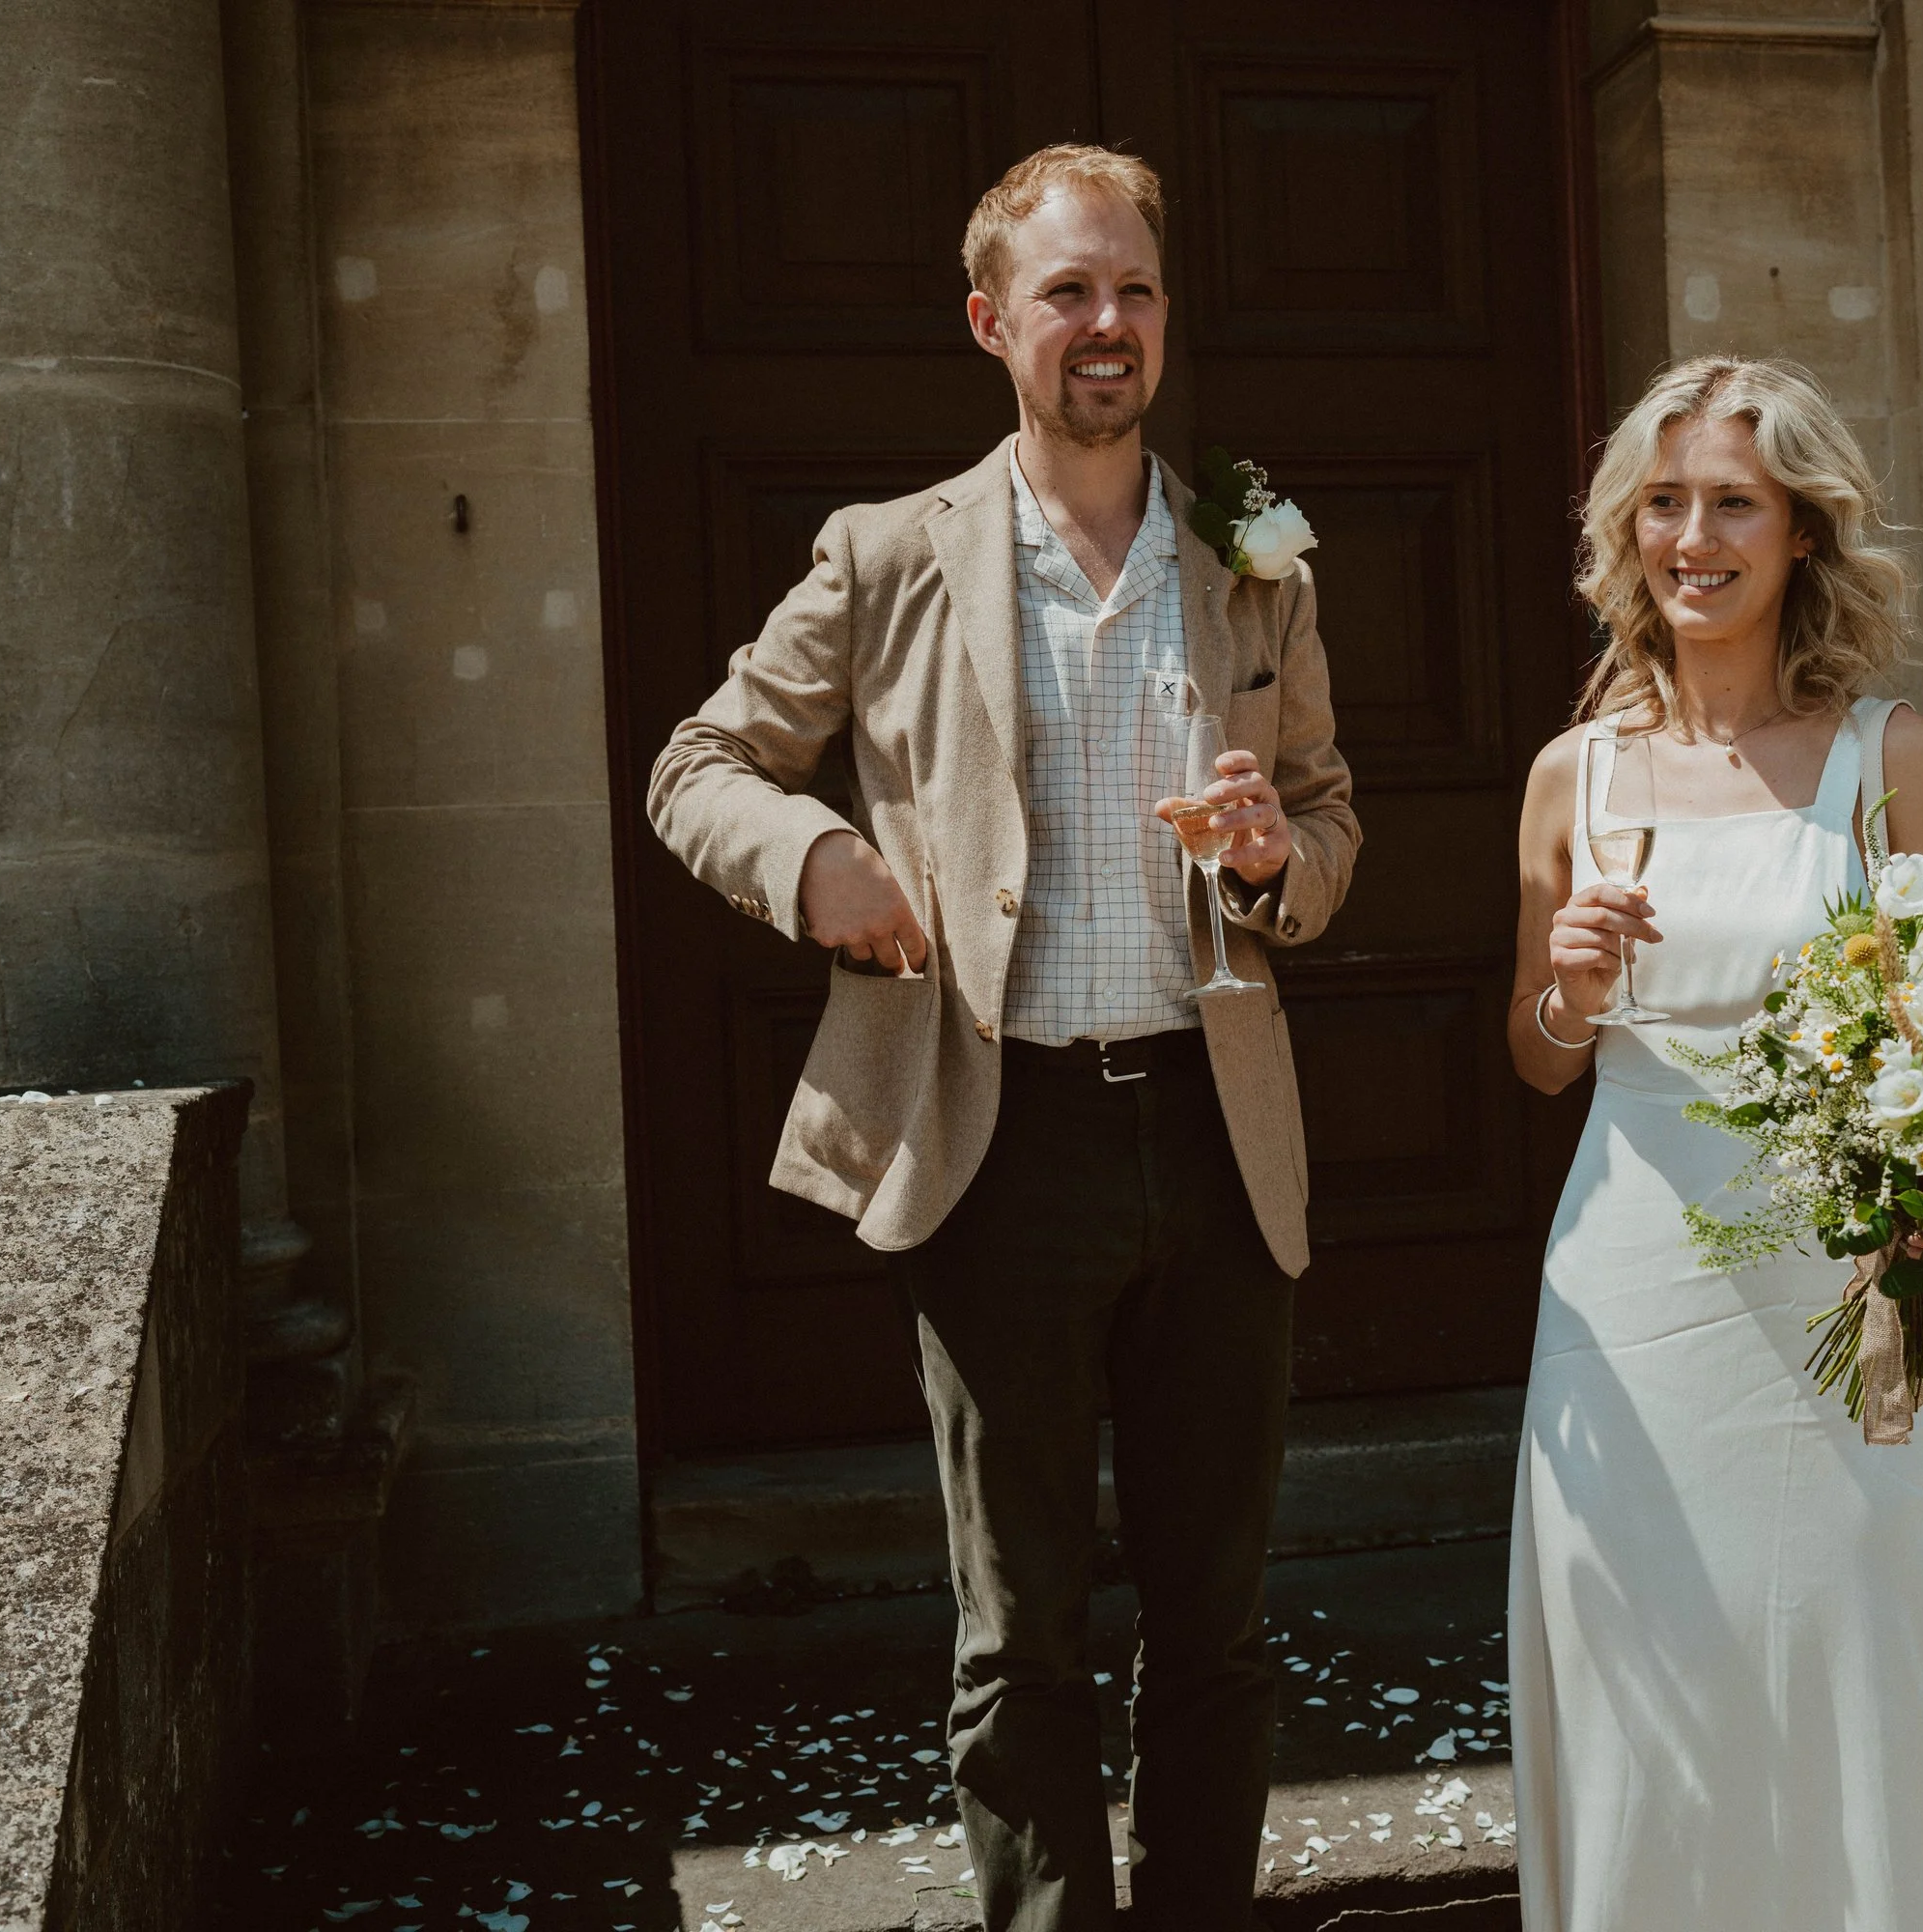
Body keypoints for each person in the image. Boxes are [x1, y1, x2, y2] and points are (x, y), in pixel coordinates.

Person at [647, 145, 1358, 1932]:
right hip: (994, 1142)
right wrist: (815, 862)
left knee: (1217, 1624)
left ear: (1168, 316)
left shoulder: (1254, 557)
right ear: (992, 323)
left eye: (1130, 289)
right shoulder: (891, 558)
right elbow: (700, 766)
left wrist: (1286, 859)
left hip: (1213, 1135)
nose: (1103, 324)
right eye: (1065, 293)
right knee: (1020, 1633)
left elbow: (1338, 822)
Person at [1502, 355, 1923, 1929]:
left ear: (1802, 529)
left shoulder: (1896, 760)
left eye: (1733, 501)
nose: (1692, 536)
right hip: (1630, 1288)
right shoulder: (1571, 776)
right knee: (1637, 1665)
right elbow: (1537, 1069)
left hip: (1839, 1287)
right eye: (1661, 503)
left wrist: (1908, 1289)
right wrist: (1572, 994)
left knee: (1853, 1658)